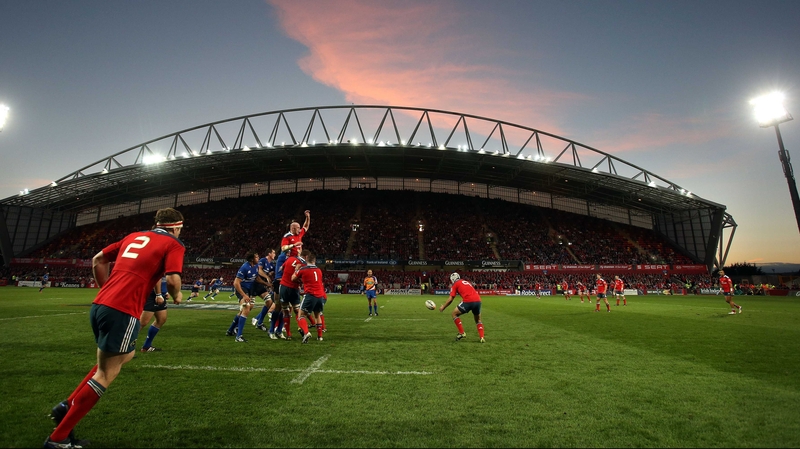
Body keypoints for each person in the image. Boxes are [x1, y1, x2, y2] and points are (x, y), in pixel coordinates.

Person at [45, 208, 185, 449]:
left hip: (101, 304)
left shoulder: (133, 236)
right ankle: (58, 439)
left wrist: (105, 289)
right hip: (123, 309)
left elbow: (98, 259)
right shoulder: (173, 243)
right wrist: (177, 294)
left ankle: (66, 406)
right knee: (106, 373)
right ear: (176, 226)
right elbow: (172, 279)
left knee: (122, 356)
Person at [439, 272, 485, 343]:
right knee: (478, 320)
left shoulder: (455, 284)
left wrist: (443, 307)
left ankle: (462, 333)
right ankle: (482, 337)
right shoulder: (466, 281)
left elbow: (451, 298)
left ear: (452, 279)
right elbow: (469, 291)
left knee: (454, 314)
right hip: (478, 300)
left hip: (468, 301)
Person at [291, 250, 327, 343]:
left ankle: (306, 333)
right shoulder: (319, 270)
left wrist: (296, 270)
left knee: (300, 315)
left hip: (310, 295)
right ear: (314, 261)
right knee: (317, 315)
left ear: (306, 259)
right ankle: (320, 337)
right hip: (320, 296)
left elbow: (293, 278)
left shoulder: (303, 269)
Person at [225, 252, 259, 342]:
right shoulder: (245, 267)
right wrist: (244, 295)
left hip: (249, 290)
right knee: (246, 307)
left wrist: (267, 283)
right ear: (252, 259)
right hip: (242, 289)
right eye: (256, 257)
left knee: (246, 309)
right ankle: (238, 336)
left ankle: (230, 330)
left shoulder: (256, 266)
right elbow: (236, 283)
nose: (258, 258)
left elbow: (256, 278)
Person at [139, 276, 174, 352]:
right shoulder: (160, 264)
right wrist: (158, 294)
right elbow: (157, 277)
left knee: (161, 319)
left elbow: (165, 278)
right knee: (142, 322)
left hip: (160, 293)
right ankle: (124, 346)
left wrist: (165, 291)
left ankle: (147, 346)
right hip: (152, 294)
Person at [278, 249, 307, 340]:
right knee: (297, 310)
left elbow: (281, 268)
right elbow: (299, 278)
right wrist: (301, 282)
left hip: (283, 287)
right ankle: (301, 328)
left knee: (285, 311)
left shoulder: (290, 259)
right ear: (305, 257)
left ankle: (288, 334)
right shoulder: (304, 264)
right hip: (294, 288)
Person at [252, 249, 277, 331]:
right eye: (273, 253)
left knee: (269, 302)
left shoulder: (271, 264)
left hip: (261, 285)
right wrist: (267, 277)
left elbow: (276, 270)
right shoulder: (263, 260)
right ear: (269, 254)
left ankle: (259, 322)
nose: (275, 254)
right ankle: (234, 327)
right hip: (255, 283)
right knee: (247, 307)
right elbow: (259, 270)